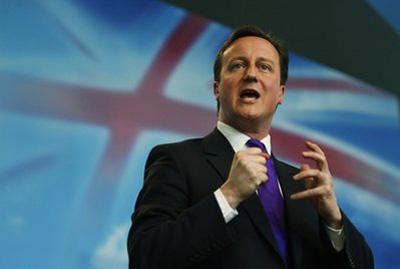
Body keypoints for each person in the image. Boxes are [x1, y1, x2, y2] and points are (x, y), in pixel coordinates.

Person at [127, 25, 373, 269]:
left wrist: (333, 220)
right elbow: (146, 256)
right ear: (216, 89)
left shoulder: (303, 186)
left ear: (280, 94)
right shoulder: (177, 160)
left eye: (264, 67)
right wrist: (228, 195)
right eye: (238, 65)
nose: (251, 75)